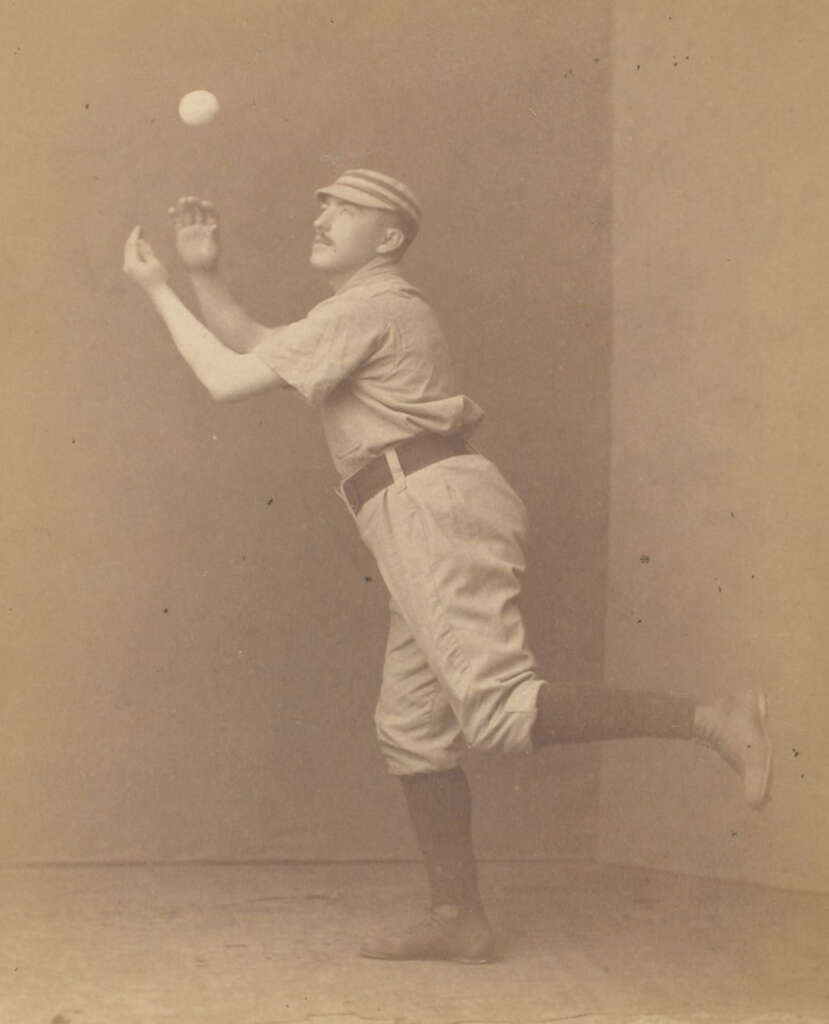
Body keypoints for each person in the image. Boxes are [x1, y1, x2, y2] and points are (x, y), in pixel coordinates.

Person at [123, 168, 772, 964]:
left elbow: (225, 381)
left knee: (495, 712)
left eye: (347, 207)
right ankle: (457, 918)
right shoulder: (352, 314)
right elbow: (258, 347)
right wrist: (201, 275)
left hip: (430, 506)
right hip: (413, 511)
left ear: (388, 238)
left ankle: (712, 720)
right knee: (412, 727)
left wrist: (155, 291)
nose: (322, 214)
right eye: (322, 202)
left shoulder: (375, 308)